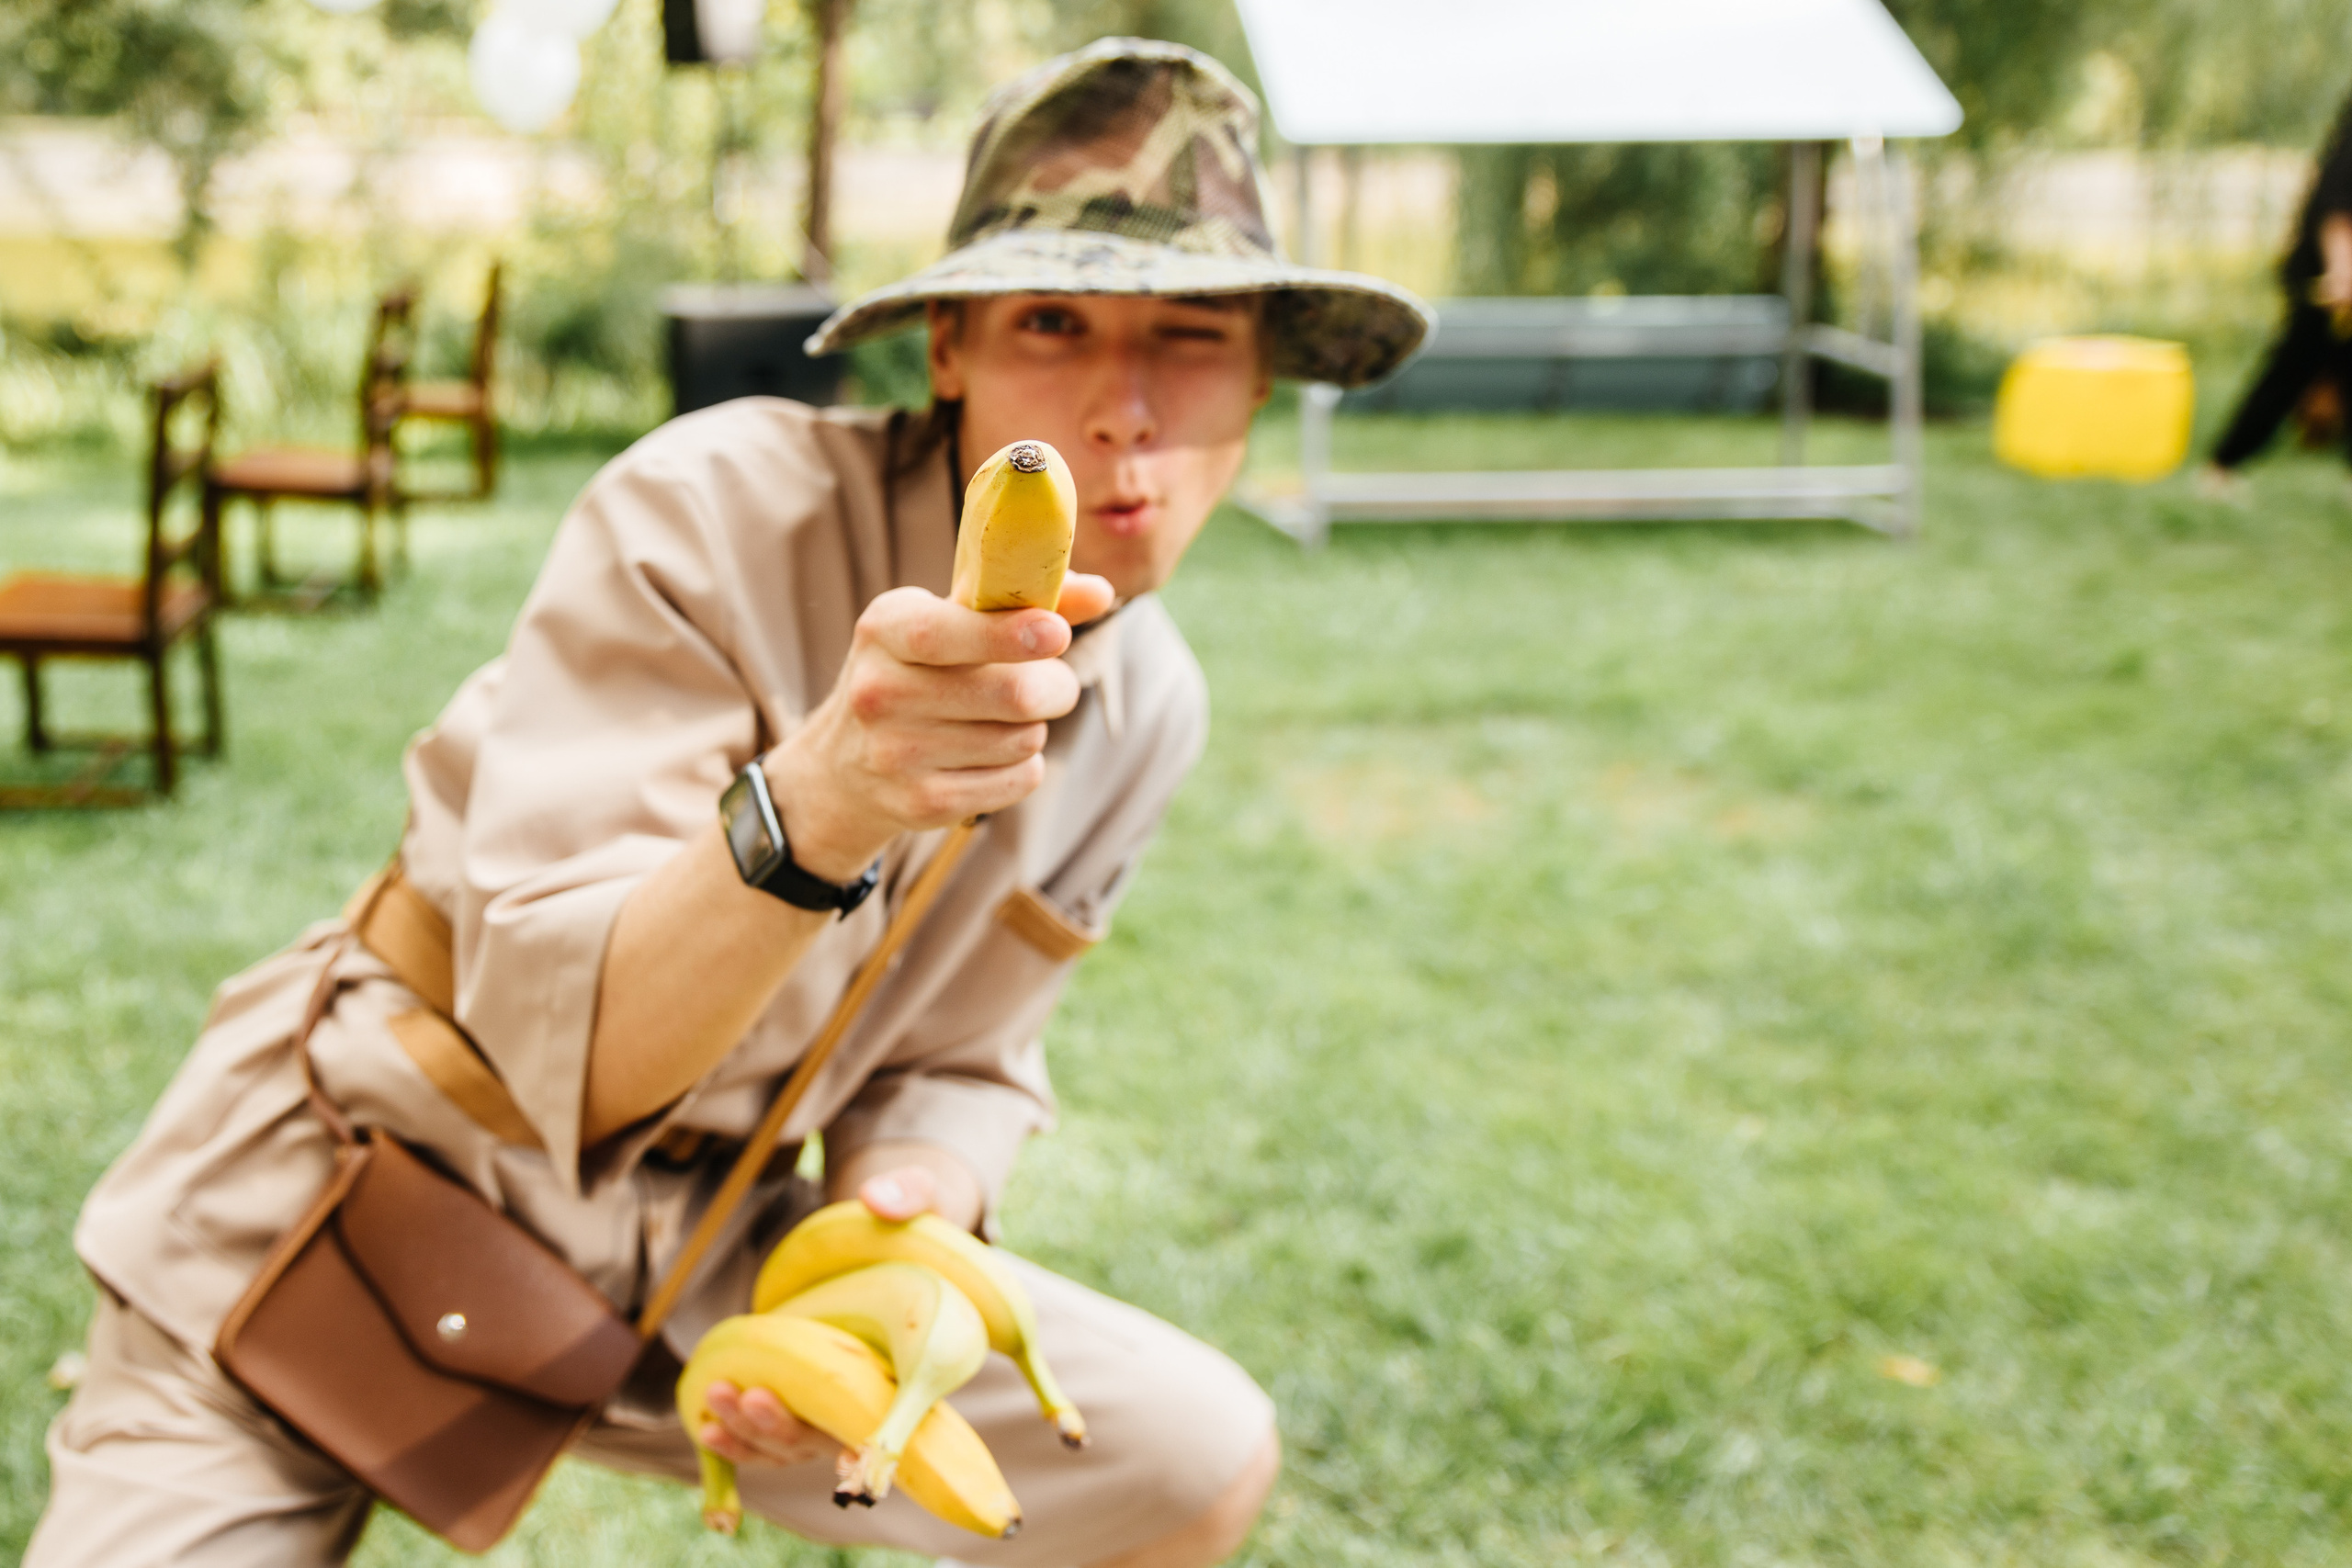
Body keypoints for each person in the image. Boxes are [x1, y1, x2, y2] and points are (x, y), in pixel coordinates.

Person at [24, 39, 1428, 1568]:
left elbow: (963, 1046)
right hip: (363, 1195)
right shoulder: (708, 510)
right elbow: (574, 1041)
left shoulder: (1150, 701)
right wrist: (823, 798)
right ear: (949, 347)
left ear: (1267, 374)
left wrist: (916, 1199)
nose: (1127, 403)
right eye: (1053, 319)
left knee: (1192, 1457)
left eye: (1195, 332)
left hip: (730, 1254)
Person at [2202, 89, 2352, 493]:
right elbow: (2338, 201)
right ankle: (2221, 467)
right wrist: (2342, 272)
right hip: (2329, 272)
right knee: (2295, 364)